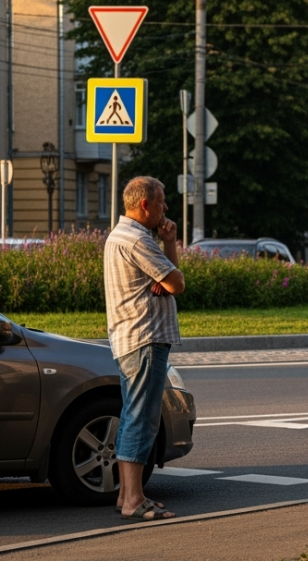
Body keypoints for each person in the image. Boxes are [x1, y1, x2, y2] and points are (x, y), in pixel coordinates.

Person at [104, 176, 186, 520]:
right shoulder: (137, 240)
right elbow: (178, 282)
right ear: (145, 205)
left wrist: (166, 247)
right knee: (142, 420)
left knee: (131, 417)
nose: (166, 208)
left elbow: (167, 280)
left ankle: (126, 496)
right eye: (162, 202)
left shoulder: (120, 235)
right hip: (145, 339)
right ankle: (135, 501)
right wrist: (167, 263)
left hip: (130, 340)